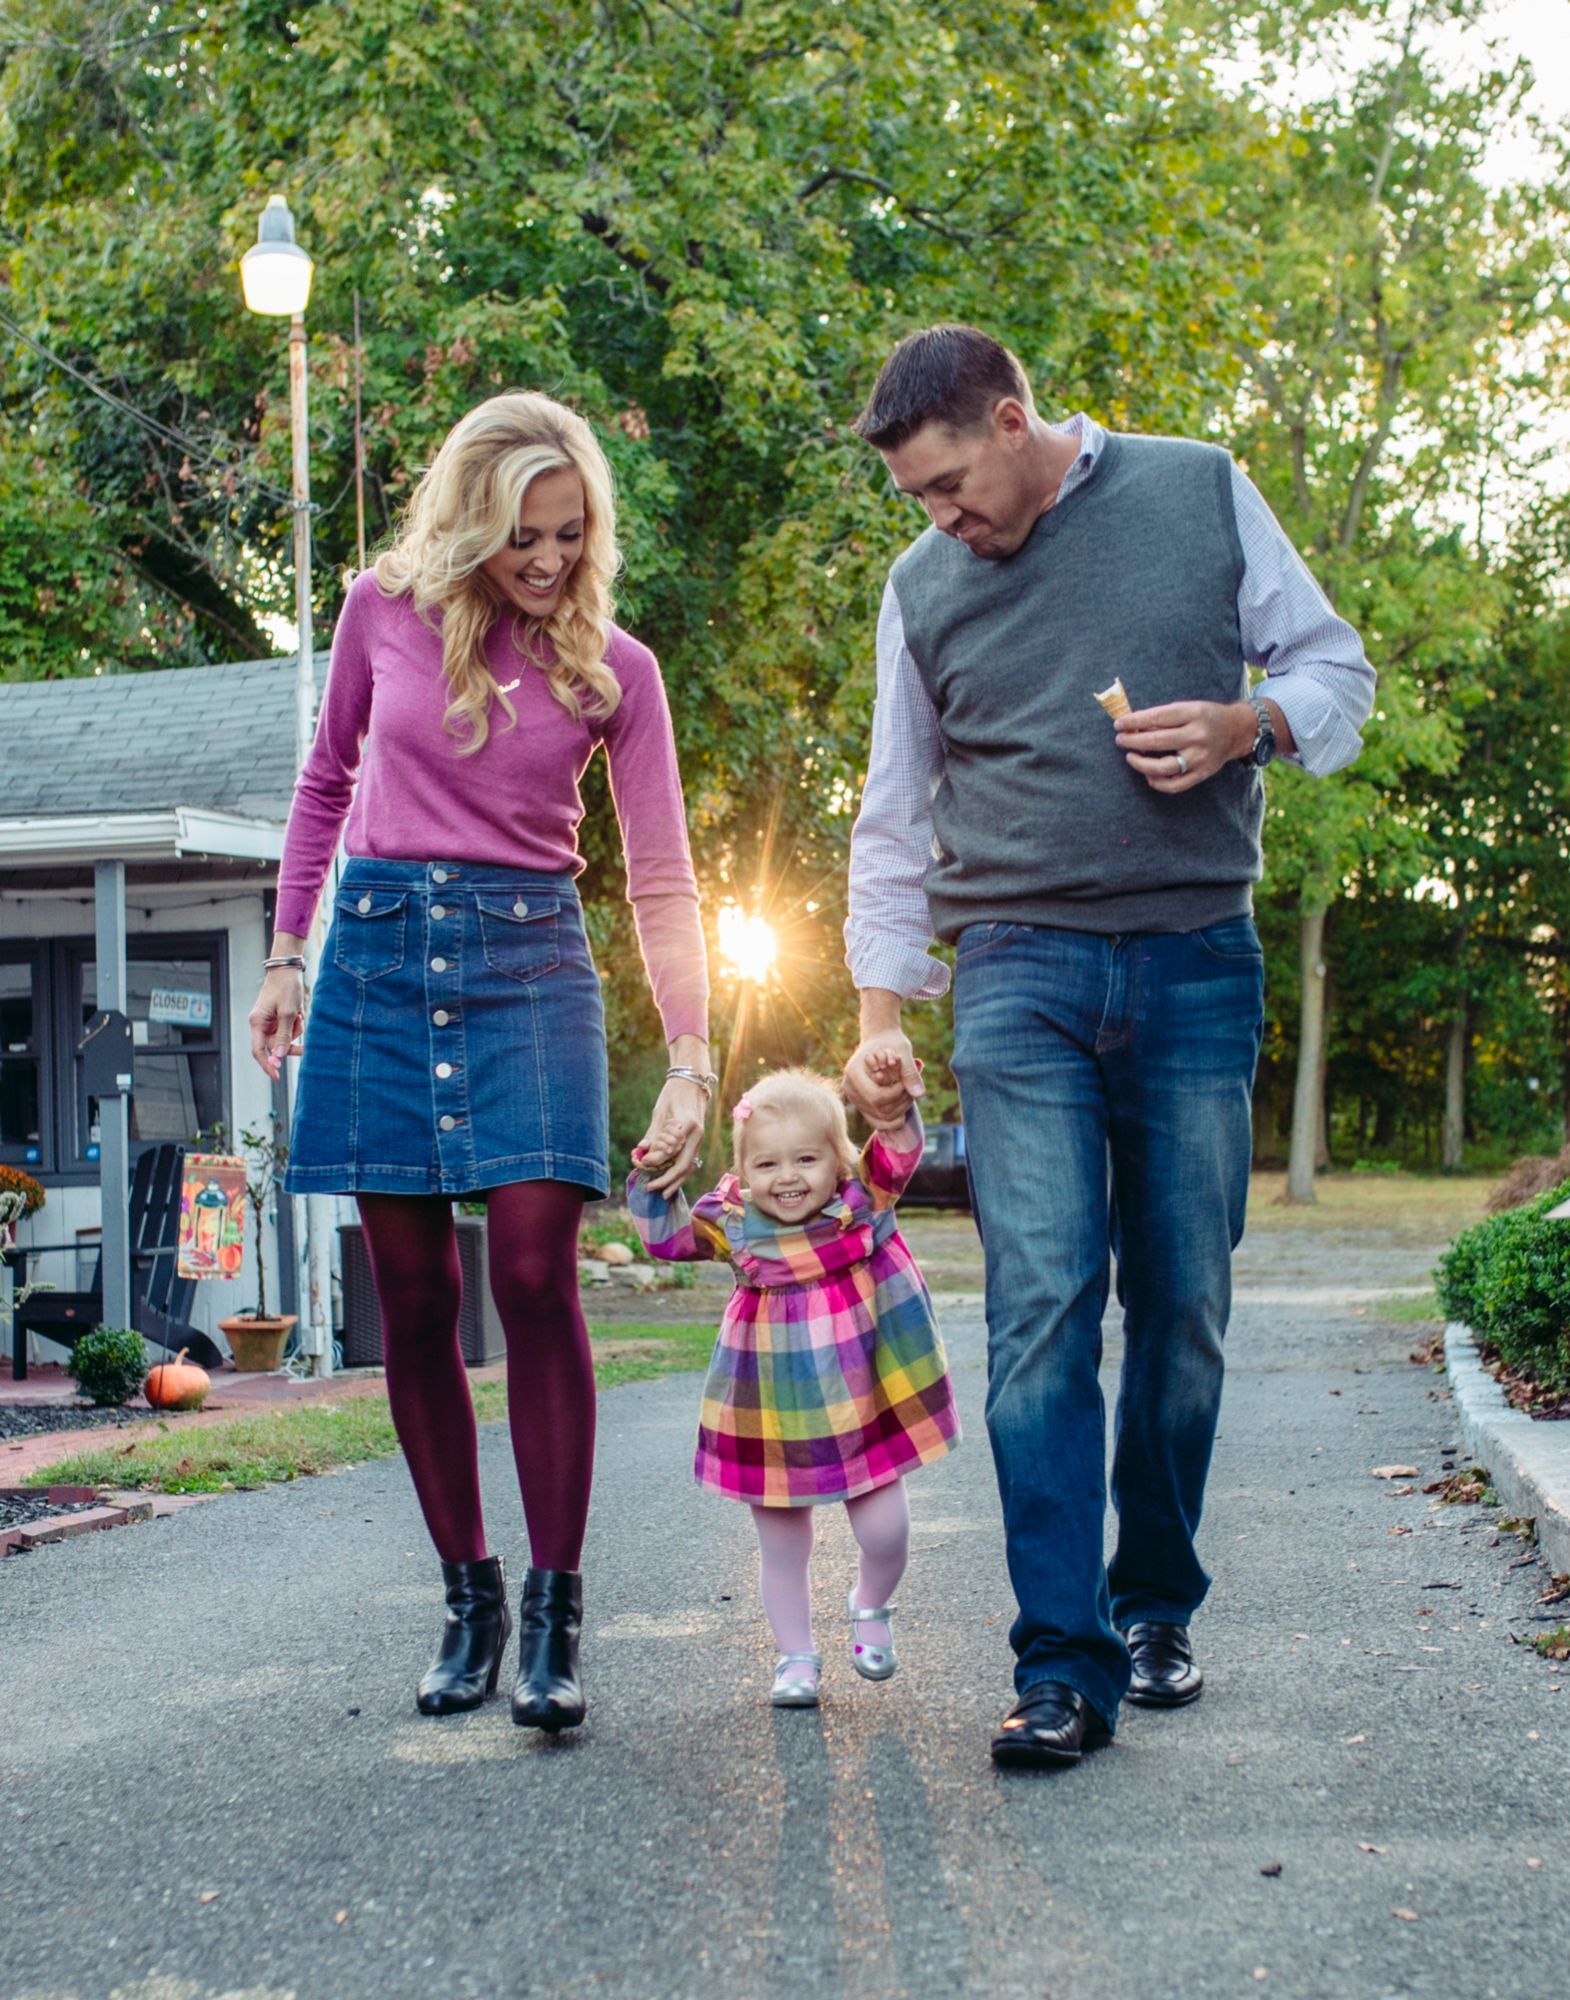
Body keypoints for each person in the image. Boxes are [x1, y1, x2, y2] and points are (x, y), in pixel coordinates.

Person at [841, 325, 1375, 1769]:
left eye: (950, 483)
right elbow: (893, 810)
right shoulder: (920, 588)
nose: (941, 518)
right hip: (1014, 971)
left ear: (1012, 422)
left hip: (1196, 958)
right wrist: (881, 1014)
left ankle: (1152, 1603)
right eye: (916, 498)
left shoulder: (1198, 488)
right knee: (1040, 1310)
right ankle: (1060, 1664)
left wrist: (1247, 724)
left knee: (1183, 1307)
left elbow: (1336, 670)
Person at [248, 392, 712, 1731]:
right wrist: (286, 954)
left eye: (570, 533)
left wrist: (690, 1055)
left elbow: (663, 876)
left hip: (529, 967)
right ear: (469, 520)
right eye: (523, 535)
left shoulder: (615, 668)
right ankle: (470, 1599)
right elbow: (324, 783)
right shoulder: (378, 609)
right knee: (411, 1296)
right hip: (378, 958)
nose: (549, 559)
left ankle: (556, 1614)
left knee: (530, 1273)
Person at [627, 1065, 959, 1707]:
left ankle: (870, 1604)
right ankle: (795, 1656)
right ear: (742, 1171)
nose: (787, 1177)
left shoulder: (863, 1198)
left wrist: (890, 1094)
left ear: (839, 1158)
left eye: (806, 1159)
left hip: (865, 1398)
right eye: (767, 1163)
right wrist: (654, 1168)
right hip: (773, 1406)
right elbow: (665, 1240)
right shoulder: (733, 1222)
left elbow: (900, 1144)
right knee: (782, 1544)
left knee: (886, 1532)